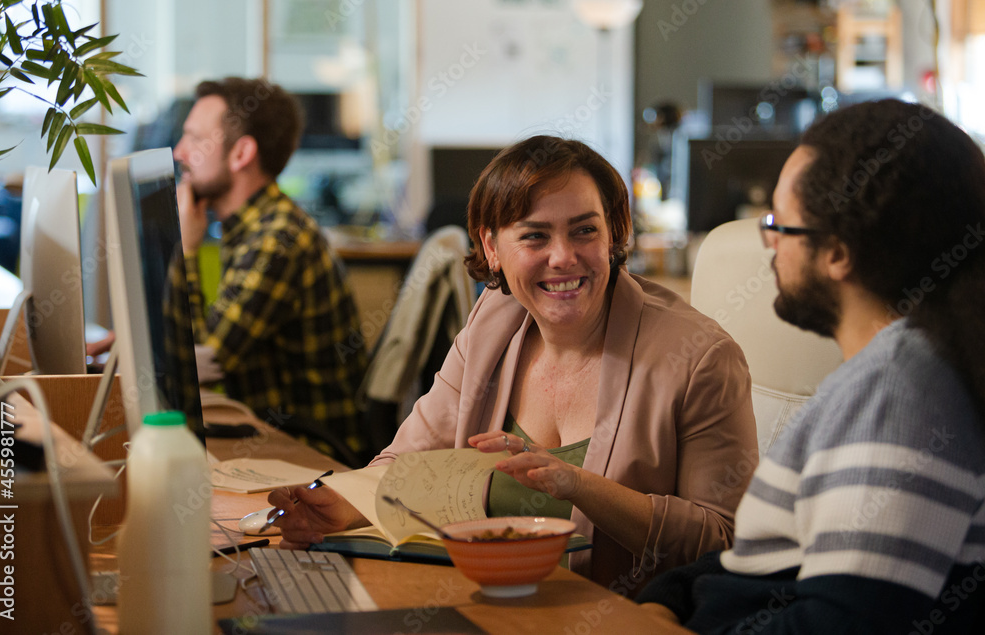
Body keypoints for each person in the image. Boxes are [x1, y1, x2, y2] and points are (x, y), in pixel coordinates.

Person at [269, 135, 757, 598]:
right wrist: (340, 506)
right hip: (486, 602)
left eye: (584, 230)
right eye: (535, 236)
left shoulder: (699, 358)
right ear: (491, 248)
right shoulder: (494, 322)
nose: (563, 257)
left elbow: (724, 542)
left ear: (613, 233)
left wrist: (579, 485)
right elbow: (408, 461)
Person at [638, 99, 985, 634]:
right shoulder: (893, 369)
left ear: (838, 253)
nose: (769, 245)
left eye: (780, 224)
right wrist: (669, 595)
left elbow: (847, 622)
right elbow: (768, 561)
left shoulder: (897, 388)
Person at [174, 77, 368, 460]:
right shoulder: (253, 226)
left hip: (312, 453)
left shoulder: (277, 239)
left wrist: (186, 250)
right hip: (270, 436)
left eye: (195, 139)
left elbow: (202, 363)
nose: (180, 152)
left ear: (241, 153)